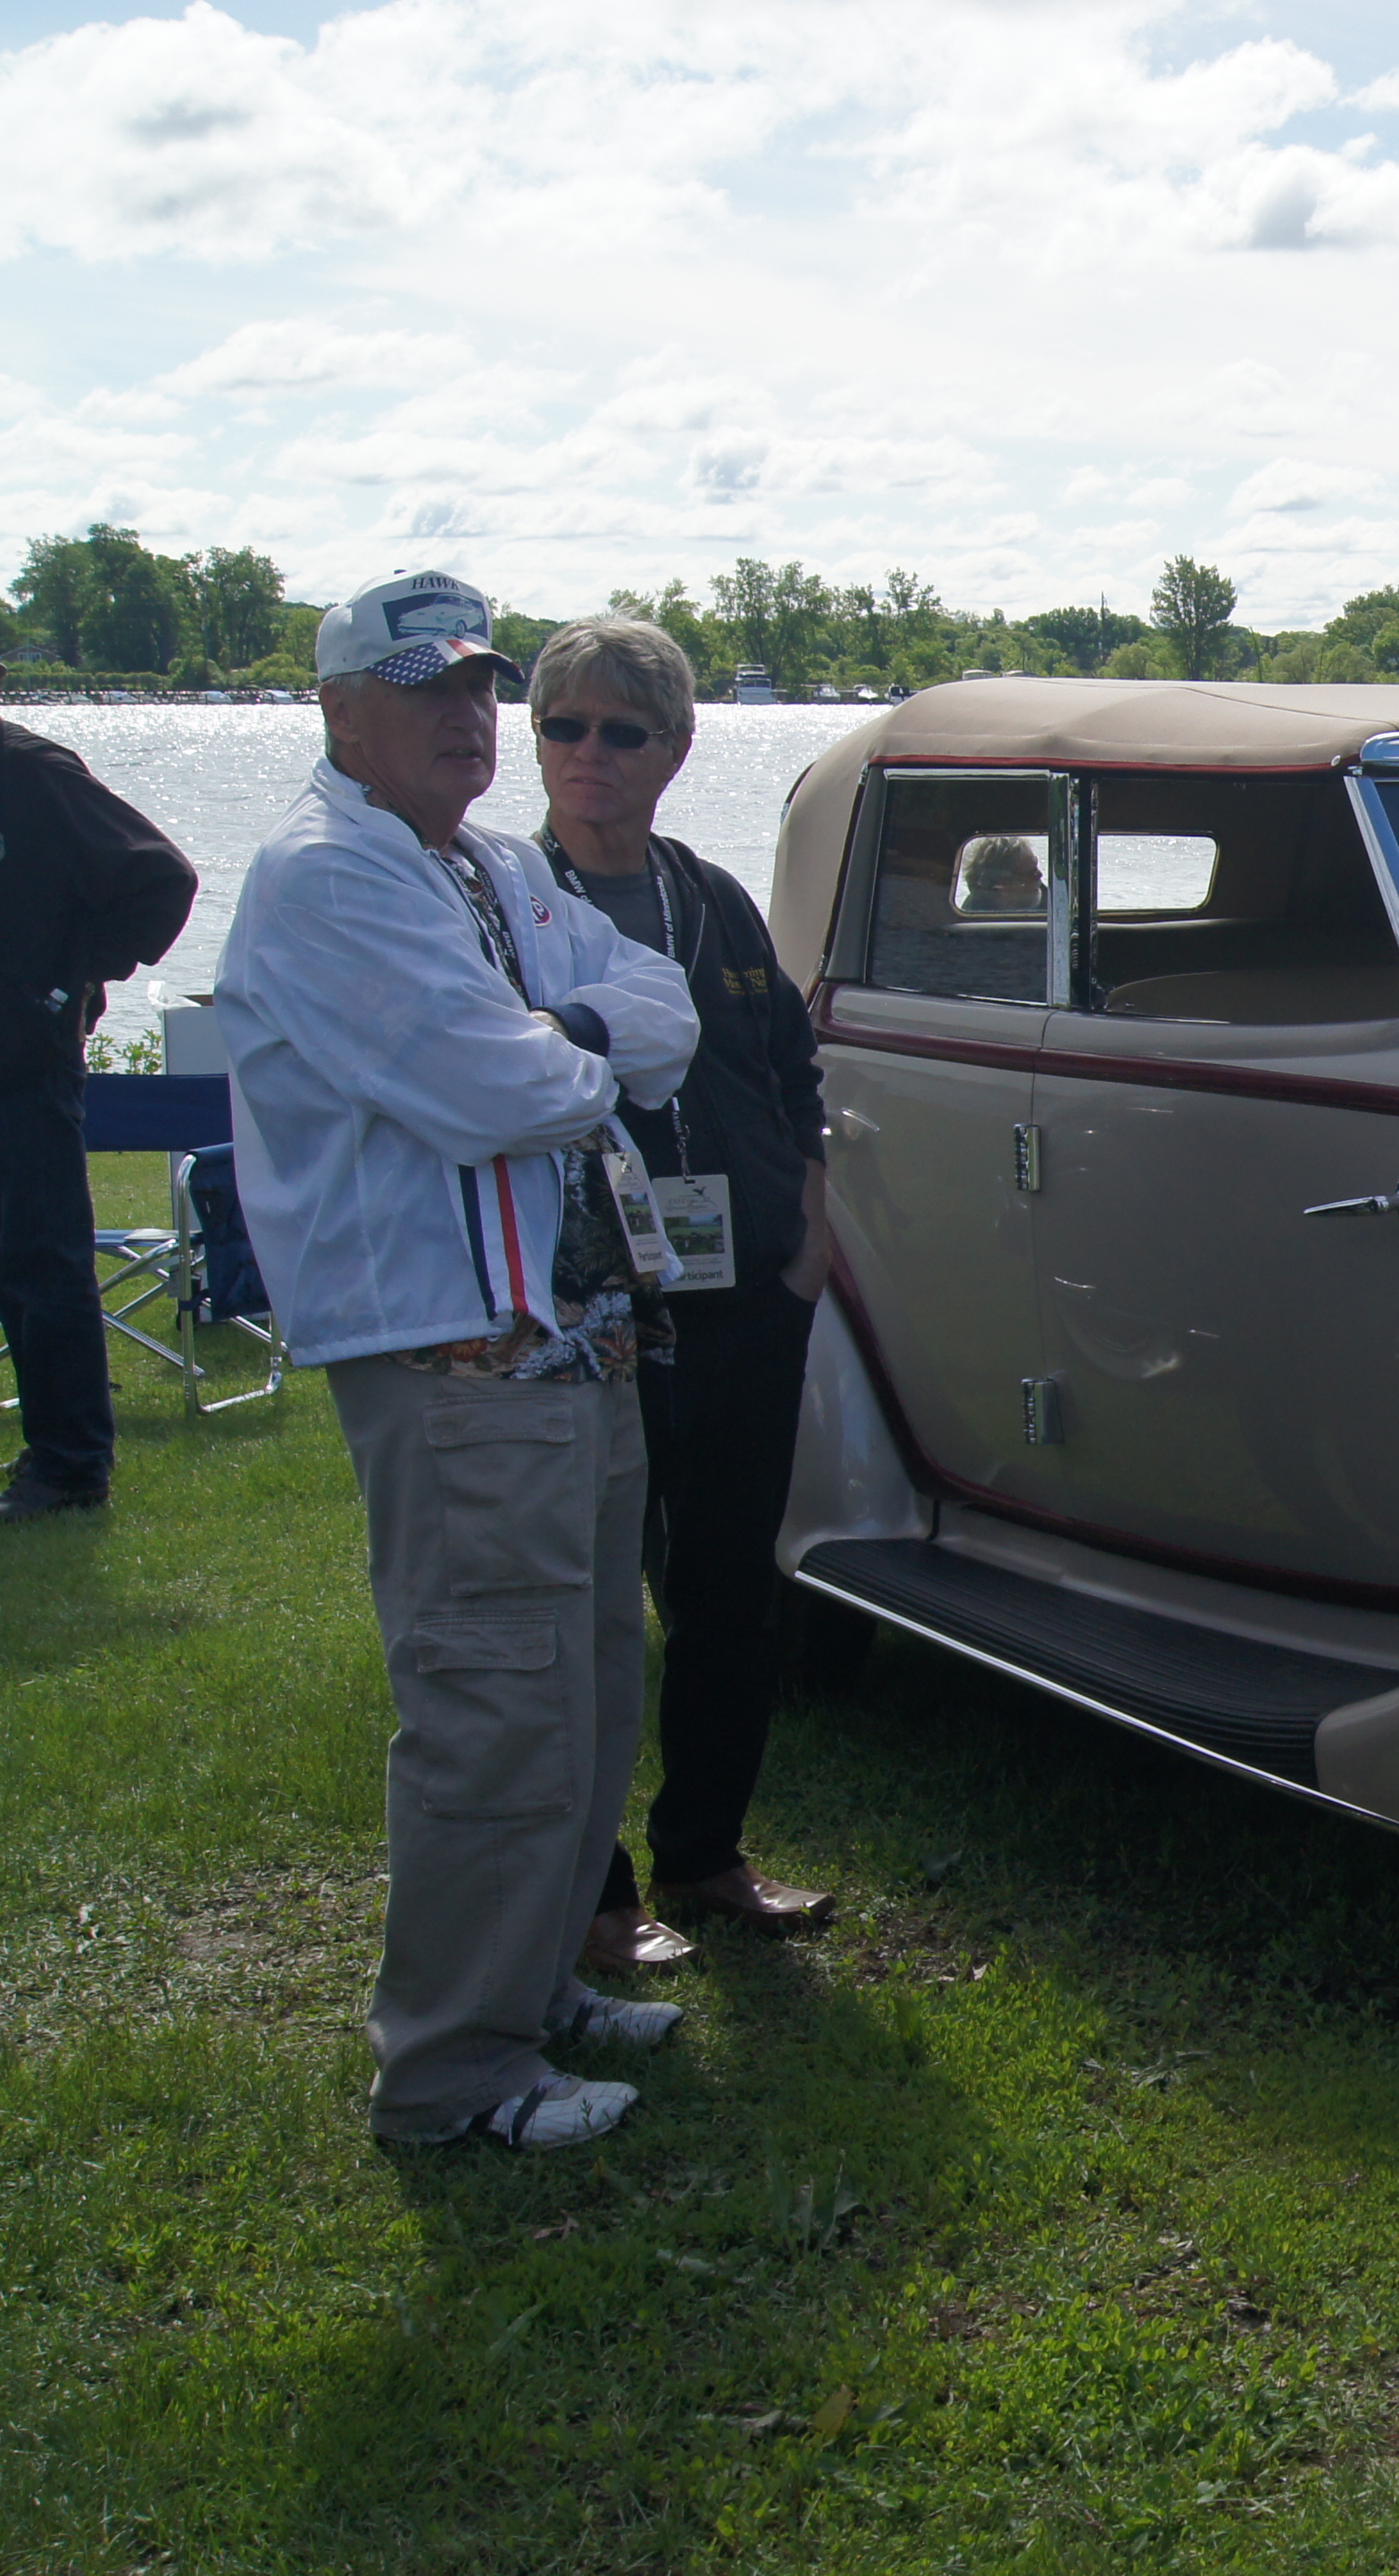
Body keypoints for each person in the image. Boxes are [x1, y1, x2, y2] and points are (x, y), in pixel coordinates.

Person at [212, 569, 702, 2152]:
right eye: (424, 690)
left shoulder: (486, 866)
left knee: (584, 1691)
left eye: (480, 689)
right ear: (338, 706)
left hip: (575, 1349)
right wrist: (573, 1041)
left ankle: (536, 1983)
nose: (466, 720)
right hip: (454, 1367)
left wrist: (554, 1027)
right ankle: (448, 2071)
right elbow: (493, 1092)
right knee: (490, 1707)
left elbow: (667, 1007)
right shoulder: (324, 877)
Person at [521, 617, 841, 1976]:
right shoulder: (506, 904)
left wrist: (810, 1241)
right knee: (588, 1603)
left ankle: (705, 1855)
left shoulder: (710, 898)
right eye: (561, 727)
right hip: (595, 1309)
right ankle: (593, 1897)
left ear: (676, 748)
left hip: (747, 1299)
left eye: (621, 731)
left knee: (729, 1591)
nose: (588, 755)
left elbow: (792, 1077)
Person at [0, 716, 198, 1518]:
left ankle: (71, 1467)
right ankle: (50, 1451)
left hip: (26, 1069)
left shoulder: (31, 774)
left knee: (44, 1268)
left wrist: (66, 986)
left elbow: (159, 879)